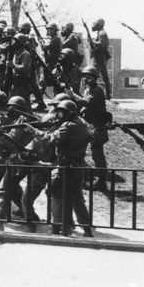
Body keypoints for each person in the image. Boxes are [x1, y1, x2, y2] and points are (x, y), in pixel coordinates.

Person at [25, 100, 93, 237]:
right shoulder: (82, 123)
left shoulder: (69, 126)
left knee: (56, 195)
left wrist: (34, 131)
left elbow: (51, 138)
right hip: (78, 166)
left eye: (61, 113)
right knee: (77, 199)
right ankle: (86, 228)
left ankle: (58, 227)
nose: (59, 116)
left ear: (69, 113)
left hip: (65, 167)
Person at [66, 66, 110, 192]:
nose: (86, 79)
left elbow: (87, 103)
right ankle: (86, 176)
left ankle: (101, 182)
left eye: (89, 77)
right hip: (90, 125)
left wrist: (72, 95)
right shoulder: (87, 89)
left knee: (98, 155)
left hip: (97, 126)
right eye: (84, 76)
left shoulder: (97, 90)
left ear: (95, 78)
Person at [8, 34, 34, 110]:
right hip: (16, 80)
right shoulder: (17, 53)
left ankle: (29, 116)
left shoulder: (26, 54)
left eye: (15, 41)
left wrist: (13, 66)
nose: (13, 43)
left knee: (23, 100)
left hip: (23, 81)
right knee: (15, 100)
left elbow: (25, 68)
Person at [89, 18, 112, 100]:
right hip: (100, 57)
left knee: (93, 74)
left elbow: (101, 44)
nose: (93, 26)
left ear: (99, 25)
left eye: (95, 24)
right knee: (103, 75)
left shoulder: (102, 33)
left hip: (100, 57)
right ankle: (108, 94)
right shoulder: (100, 33)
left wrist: (92, 41)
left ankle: (94, 93)